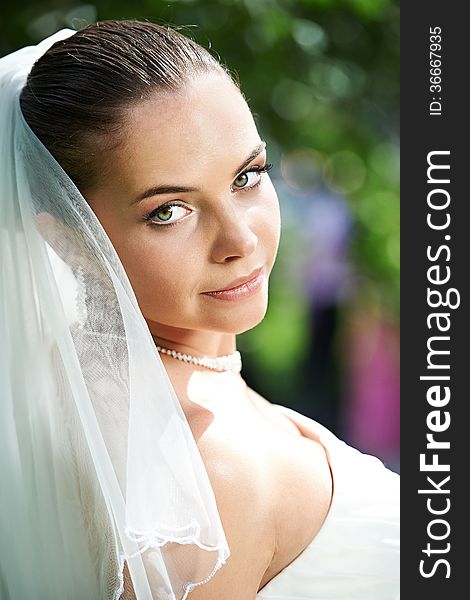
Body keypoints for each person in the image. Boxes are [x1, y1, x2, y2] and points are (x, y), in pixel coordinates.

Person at [0, 20, 399, 600]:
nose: (240, 239)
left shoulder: (122, 387)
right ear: (70, 240)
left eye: (247, 176)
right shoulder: (202, 478)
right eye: (169, 211)